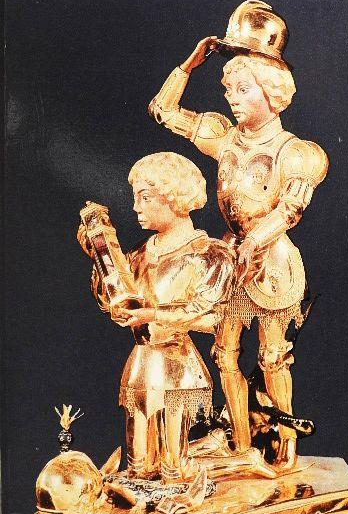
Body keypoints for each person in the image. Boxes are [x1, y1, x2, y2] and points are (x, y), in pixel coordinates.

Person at [148, 1, 329, 470]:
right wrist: (189, 66)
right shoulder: (224, 138)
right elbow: (163, 111)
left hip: (271, 261)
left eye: (242, 89)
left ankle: (286, 441)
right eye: (228, 88)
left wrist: (252, 242)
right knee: (225, 353)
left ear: (273, 92)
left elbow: (289, 210)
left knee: (273, 356)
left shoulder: (297, 153)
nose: (231, 97)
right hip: (233, 258)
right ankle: (242, 444)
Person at [77, 152, 234, 483]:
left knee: (174, 469)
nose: (136, 207)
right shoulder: (137, 255)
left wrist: (151, 314)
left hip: (177, 365)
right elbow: (117, 297)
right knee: (140, 469)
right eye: (136, 197)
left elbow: (213, 318)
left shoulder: (208, 255)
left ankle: (232, 458)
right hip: (142, 364)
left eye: (145, 197)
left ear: (174, 197)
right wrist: (99, 257)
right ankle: (210, 449)